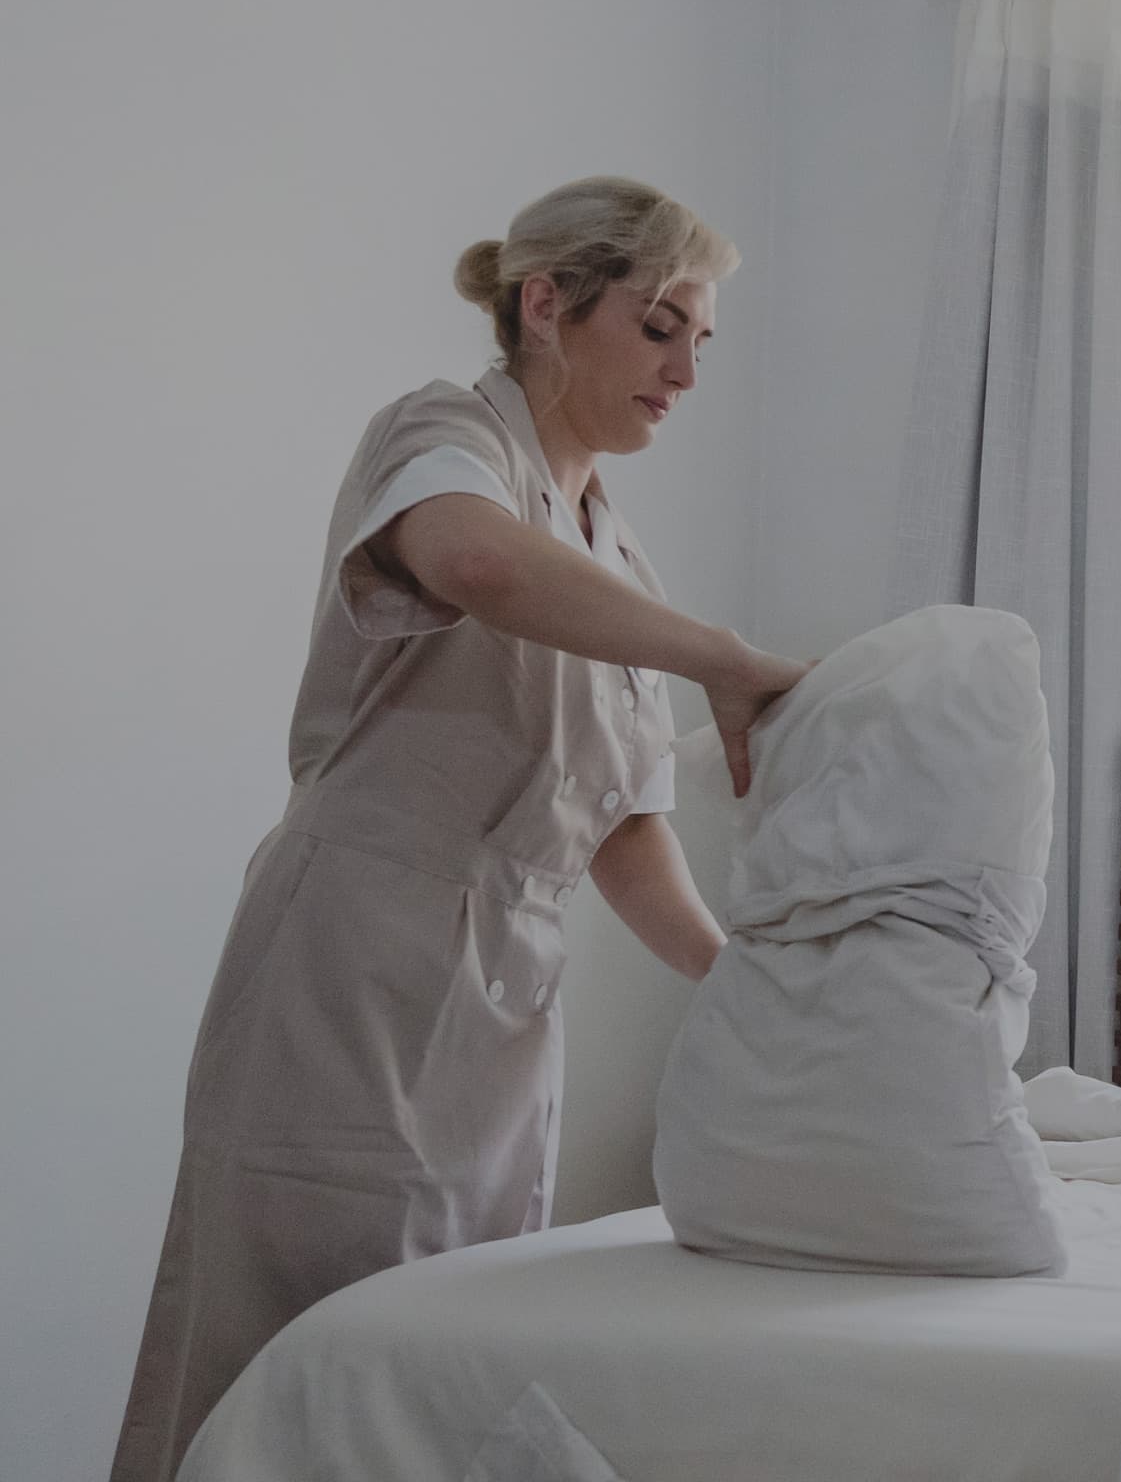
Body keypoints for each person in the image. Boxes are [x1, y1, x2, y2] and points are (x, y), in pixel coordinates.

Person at [113, 177, 809, 1482]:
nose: (685, 373)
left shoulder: (618, 559)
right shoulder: (443, 434)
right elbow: (472, 564)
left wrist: (745, 984)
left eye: (702, 342)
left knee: (448, 1366)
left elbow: (622, 828)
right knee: (290, 1357)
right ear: (546, 305)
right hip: (353, 960)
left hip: (508, 998)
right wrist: (720, 656)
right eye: (661, 328)